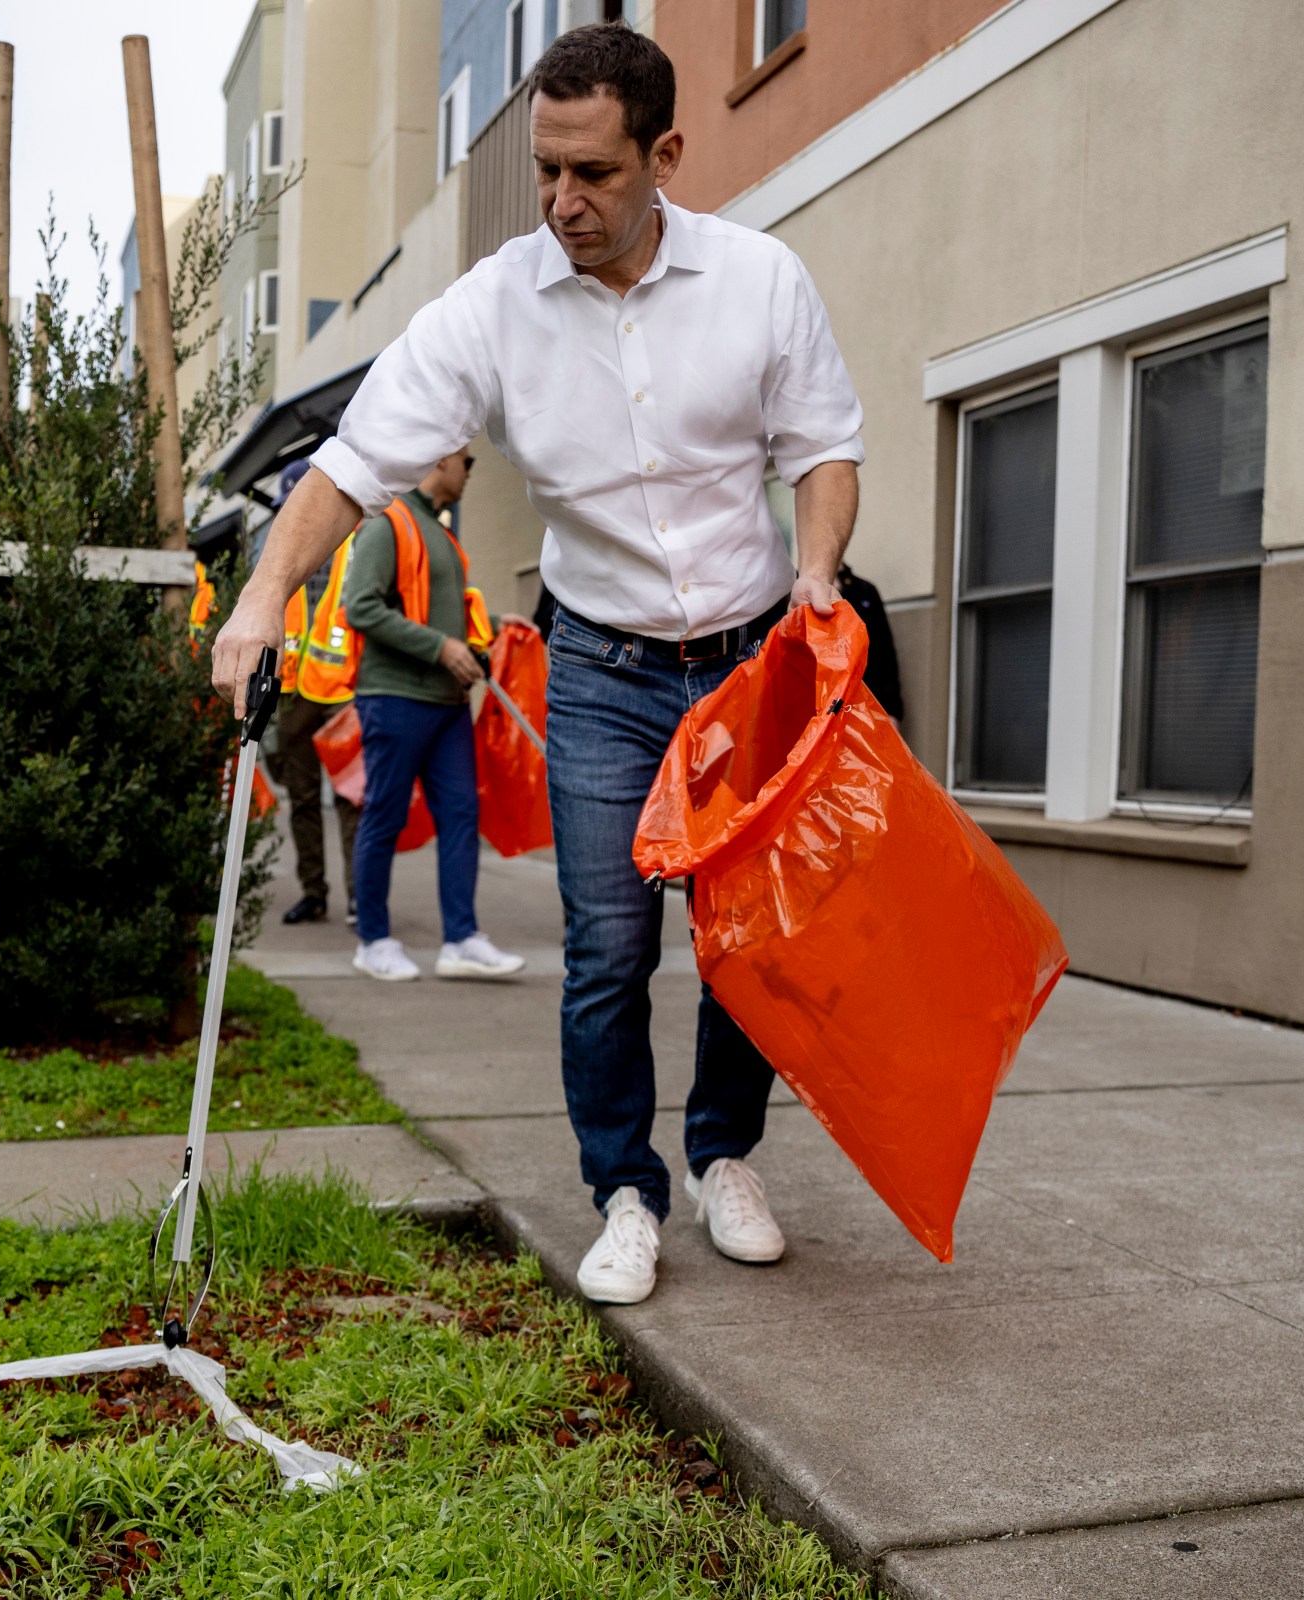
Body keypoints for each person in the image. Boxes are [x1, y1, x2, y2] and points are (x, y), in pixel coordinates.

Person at [210, 23, 863, 1306]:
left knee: (745, 945)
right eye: (545, 172)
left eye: (595, 173)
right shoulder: (493, 308)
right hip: (607, 672)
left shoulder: (762, 281)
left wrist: (820, 571)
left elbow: (825, 445)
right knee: (609, 947)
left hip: (749, 664)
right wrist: (260, 600)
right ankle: (625, 1188)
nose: (563, 200)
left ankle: (726, 1150)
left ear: (665, 154)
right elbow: (351, 464)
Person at [338, 446, 526, 984]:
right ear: (442, 460)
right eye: (468, 462)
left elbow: (444, 614)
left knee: (462, 817)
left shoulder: (438, 532)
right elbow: (362, 607)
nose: (470, 472)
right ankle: (373, 941)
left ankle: (462, 939)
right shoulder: (388, 523)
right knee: (384, 817)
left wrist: (492, 622)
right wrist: (443, 649)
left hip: (445, 705)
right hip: (395, 698)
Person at [267, 458, 360, 923]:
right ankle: (314, 893)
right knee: (302, 797)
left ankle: (360, 898)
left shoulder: (357, 544)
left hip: (343, 691)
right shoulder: (281, 557)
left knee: (350, 799)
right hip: (294, 691)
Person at [837, 563, 904, 723]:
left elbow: (885, 655)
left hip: (863, 708)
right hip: (815, 710)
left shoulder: (864, 590)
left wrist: (891, 710)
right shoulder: (795, 590)